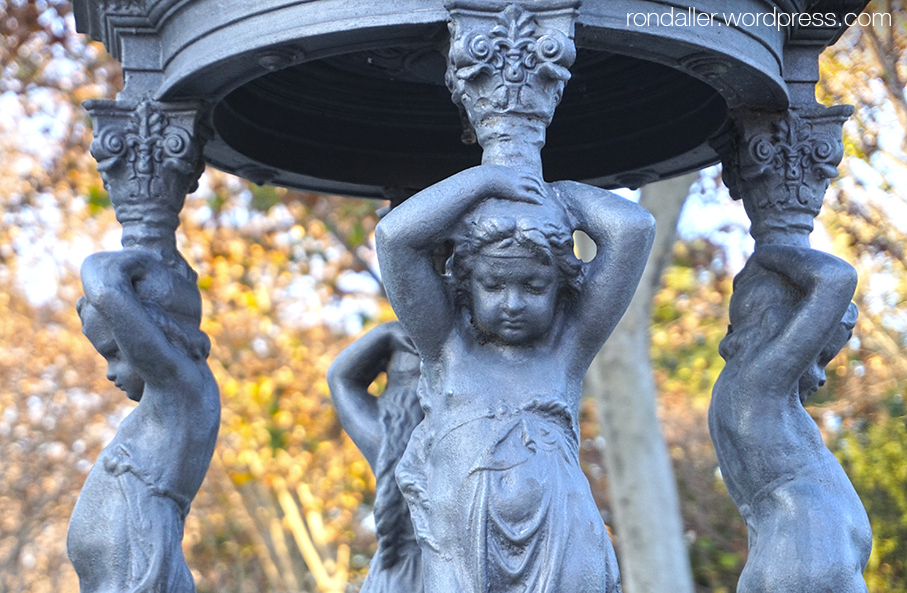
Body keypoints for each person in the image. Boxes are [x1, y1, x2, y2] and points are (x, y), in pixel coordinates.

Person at [375, 164, 655, 593]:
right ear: (466, 285)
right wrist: (485, 180)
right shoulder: (448, 348)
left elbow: (633, 229)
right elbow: (394, 239)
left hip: (562, 538)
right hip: (462, 547)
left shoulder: (566, 348)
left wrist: (553, 194)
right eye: (493, 285)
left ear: (562, 288)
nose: (513, 303)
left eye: (535, 287)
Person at [709, 244, 871, 593]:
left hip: (781, 557)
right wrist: (767, 253)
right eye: (818, 355)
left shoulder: (739, 390)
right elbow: (837, 278)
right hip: (811, 552)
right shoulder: (758, 381)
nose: (822, 376)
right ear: (778, 329)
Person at [67, 249, 220, 593]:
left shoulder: (181, 388)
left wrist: (134, 259)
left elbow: (106, 287)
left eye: (116, 353)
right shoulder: (168, 398)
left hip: (139, 564)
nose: (110, 373)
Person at [327, 321, 424, 593]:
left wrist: (385, 335)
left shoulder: (387, 433)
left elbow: (341, 377)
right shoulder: (386, 435)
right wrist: (388, 333)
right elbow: (340, 378)